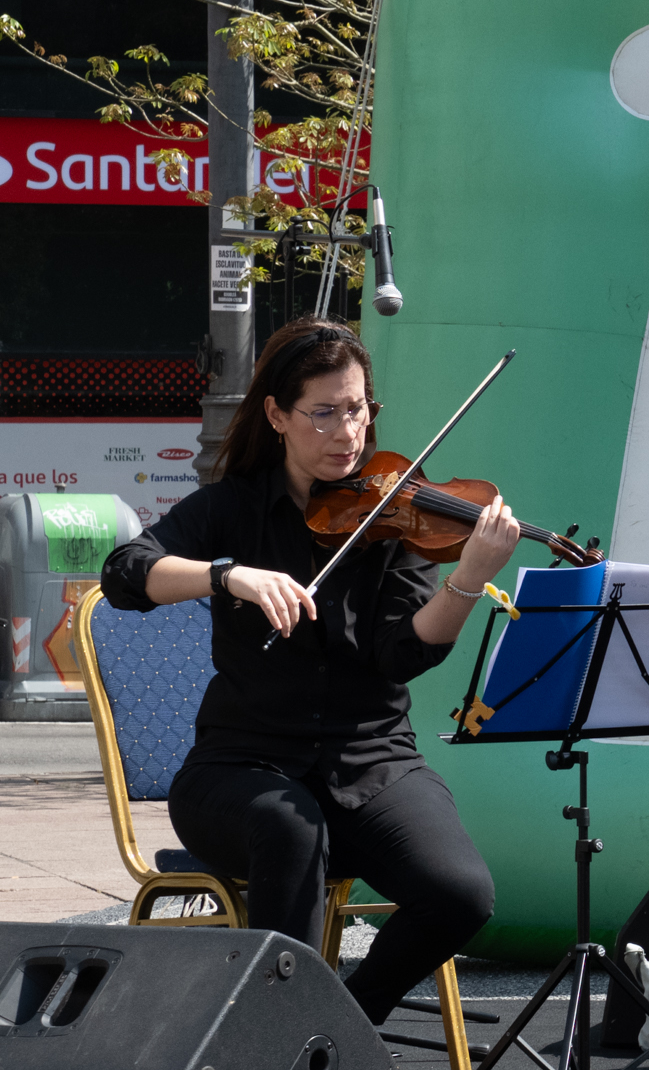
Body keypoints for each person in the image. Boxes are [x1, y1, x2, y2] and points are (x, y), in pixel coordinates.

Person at [98, 318, 514, 1027]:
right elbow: (125, 573)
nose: (346, 432)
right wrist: (228, 577)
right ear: (277, 416)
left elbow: (402, 653)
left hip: (371, 763)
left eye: (356, 409)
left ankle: (339, 1028)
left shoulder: (395, 508)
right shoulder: (232, 509)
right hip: (241, 768)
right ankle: (274, 1042)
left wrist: (469, 579)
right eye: (323, 413)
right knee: (291, 830)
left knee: (461, 894)